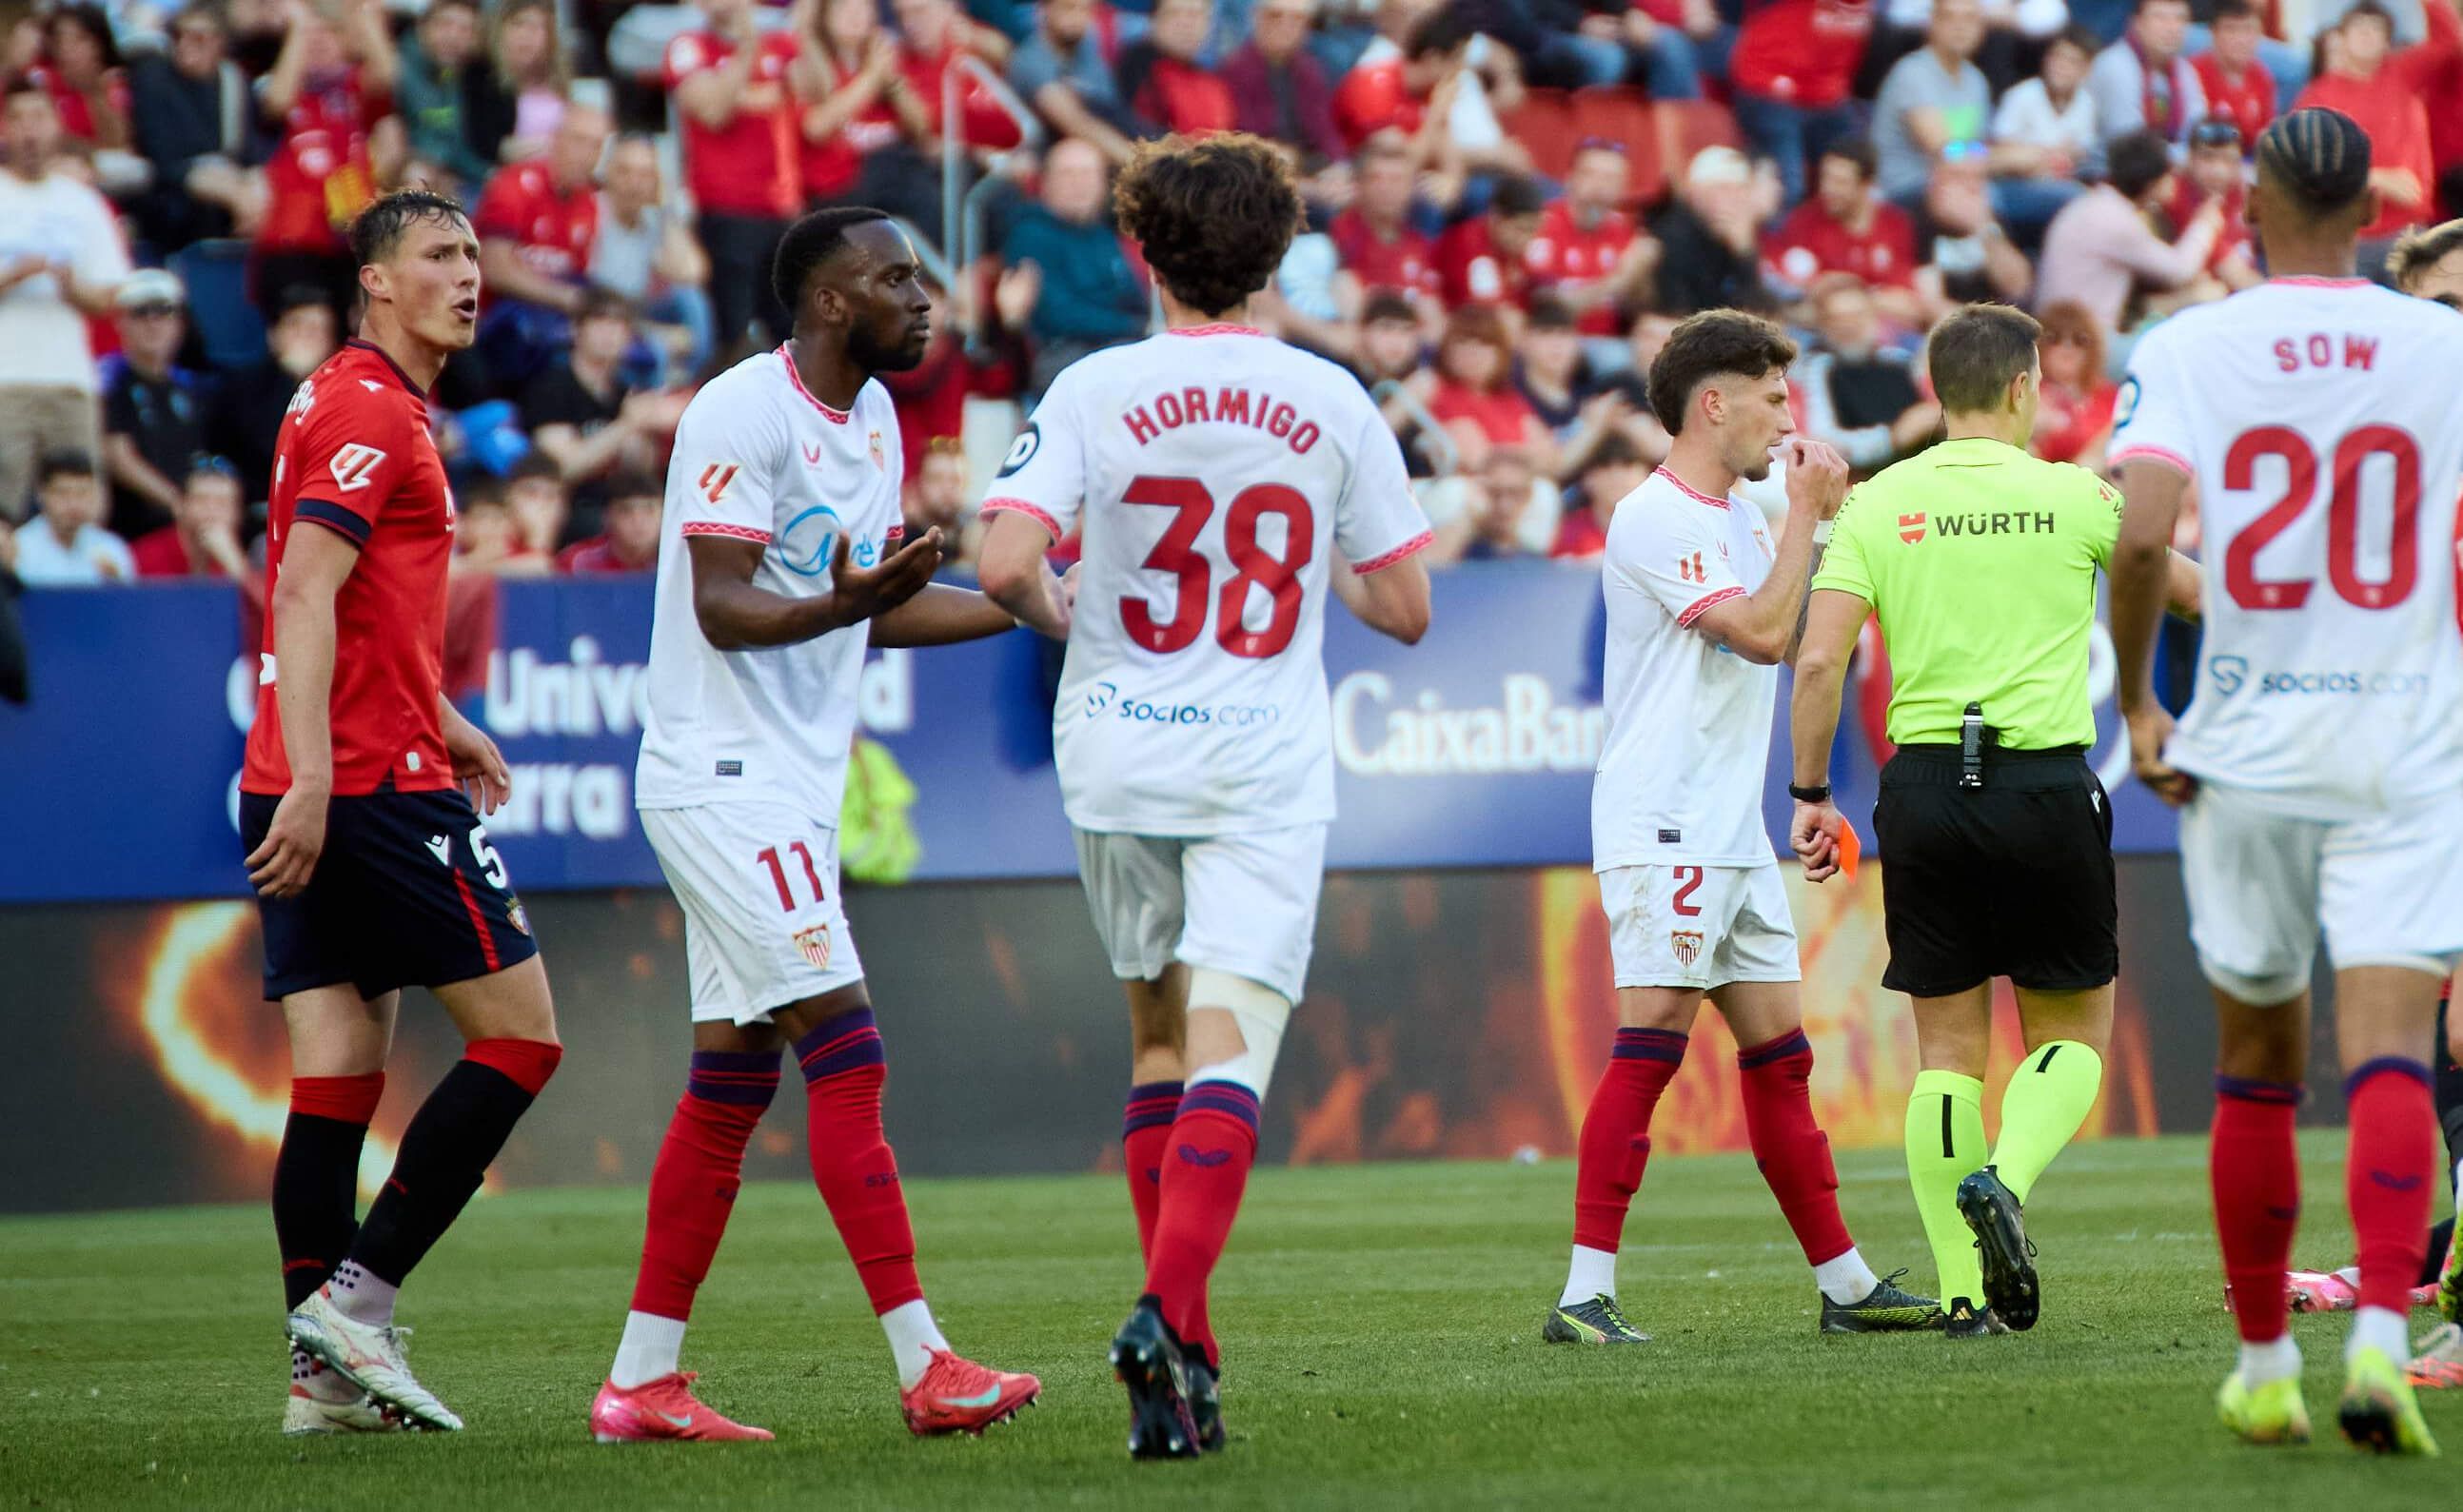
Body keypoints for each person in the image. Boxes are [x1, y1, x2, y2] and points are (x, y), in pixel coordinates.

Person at [975, 130, 1433, 1460]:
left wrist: (1079, 617)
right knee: (1230, 1051)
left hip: (1116, 747)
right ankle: (1165, 1318)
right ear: (1277, 253)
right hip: (1258, 762)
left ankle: (1192, 1368)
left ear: (1142, 251)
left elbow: (1006, 562)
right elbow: (1403, 605)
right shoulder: (1332, 398)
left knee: (1158, 1046)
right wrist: (1324, 562)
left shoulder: (1094, 384)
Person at [596, 206, 1058, 1444]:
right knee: (848, 1052)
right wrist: (848, 597)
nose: (924, 298)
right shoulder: (741, 409)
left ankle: (641, 1382)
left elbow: (871, 610)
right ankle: (927, 1363)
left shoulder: (874, 417)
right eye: (895, 278)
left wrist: (1034, 605)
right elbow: (729, 606)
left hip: (779, 786)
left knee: (732, 1083)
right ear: (827, 299)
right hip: (723, 772)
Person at [2105, 105, 2463, 1453]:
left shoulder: (2189, 343)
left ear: (2249, 205)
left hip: (2248, 738)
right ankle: (2379, 1333)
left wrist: (2146, 701)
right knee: (2388, 1047)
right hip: (2405, 737)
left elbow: (2142, 540)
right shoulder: (2446, 345)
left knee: (2258, 1065)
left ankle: (2265, 1364)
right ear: (2374, 213)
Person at [1789, 303, 2200, 1341]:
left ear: (1933, 390)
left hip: (1922, 789)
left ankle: (1962, 1290)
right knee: (2071, 1034)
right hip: (2044, 785)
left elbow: (1815, 658)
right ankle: (2006, 1182)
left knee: (1943, 1054)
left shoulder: (1882, 503)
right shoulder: (2072, 494)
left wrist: (1805, 793)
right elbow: (2186, 590)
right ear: (2021, 388)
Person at [1538, 307, 1937, 1347]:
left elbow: (1798, 638)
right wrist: (1806, 511)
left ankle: (1844, 1284)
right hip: (1664, 821)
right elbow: (1761, 635)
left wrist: (1807, 796)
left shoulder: (1741, 519)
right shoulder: (1653, 515)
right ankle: (1582, 1292)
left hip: (1729, 826)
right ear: (1711, 403)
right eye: (1770, 398)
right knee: (1650, 1046)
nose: (1784, 419)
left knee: (1779, 1057)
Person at [253, 190, 562, 1438]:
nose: (469, 274)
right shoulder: (376, 413)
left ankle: (318, 1387)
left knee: (335, 1077)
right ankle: (357, 1306)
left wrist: (446, 714)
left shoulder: (343, 396)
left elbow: (369, 607)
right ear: (377, 281)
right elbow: (305, 589)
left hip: (321, 763)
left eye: (476, 252)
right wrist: (332, 774)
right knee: (524, 1039)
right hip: (366, 785)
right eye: (439, 254)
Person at [0, 78, 128, 524]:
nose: (29, 131)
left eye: (38, 118)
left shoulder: (82, 203)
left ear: (55, 126)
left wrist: (72, 287)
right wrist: (13, 276)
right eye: (18, 119)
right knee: (4, 509)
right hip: (6, 380)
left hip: (71, 380)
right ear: (5, 129)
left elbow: (111, 294)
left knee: (83, 510)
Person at [664, 0, 803, 354]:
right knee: (733, 335)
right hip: (725, 211)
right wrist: (746, 50)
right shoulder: (688, 47)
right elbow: (713, 111)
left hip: (781, 209)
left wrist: (807, 23)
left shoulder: (781, 44)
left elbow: (815, 89)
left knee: (793, 333)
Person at [251, 0, 400, 323]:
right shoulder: (279, 87)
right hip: (292, 244)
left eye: (330, 33)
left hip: (349, 239)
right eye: (310, 35)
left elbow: (387, 74)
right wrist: (299, 30)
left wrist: (365, 16)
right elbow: (277, 102)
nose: (318, 41)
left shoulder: (353, 91)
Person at [2292, 1, 2444, 259]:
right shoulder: (2316, 96)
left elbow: (2447, 42)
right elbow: (2306, 170)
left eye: (2376, 29)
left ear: (2387, 43)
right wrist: (2375, 179)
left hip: (2405, 233)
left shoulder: (2402, 76)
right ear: (2340, 37)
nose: (2366, 34)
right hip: (2346, 237)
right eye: (2358, 27)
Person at [2035, 128, 2224, 331]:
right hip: (2085, 345)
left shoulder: (2097, 204)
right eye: (2170, 174)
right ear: (2153, 183)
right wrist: (2205, 223)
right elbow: (2180, 270)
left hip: (2064, 332)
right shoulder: (2116, 219)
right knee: (2208, 295)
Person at [1000, 136, 1150, 397]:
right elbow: (1057, 316)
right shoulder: (1030, 235)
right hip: (1065, 358)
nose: (1078, 183)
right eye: (1067, 174)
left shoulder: (1105, 235)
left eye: (1087, 173)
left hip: (1122, 351)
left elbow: (1137, 298)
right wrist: (1136, 327)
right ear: (1044, 183)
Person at [128, 3, 267, 247]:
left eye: (198, 38)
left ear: (220, 43)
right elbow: (163, 159)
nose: (184, 45)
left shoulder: (233, 81)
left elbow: (248, 151)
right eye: (177, 35)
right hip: (177, 184)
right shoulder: (154, 78)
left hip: (228, 172)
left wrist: (254, 186)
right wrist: (229, 190)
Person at [101, 268, 211, 542]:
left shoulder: (192, 388)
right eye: (140, 313)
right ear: (121, 322)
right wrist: (179, 503)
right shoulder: (108, 383)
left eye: (163, 311)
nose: (153, 322)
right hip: (134, 531)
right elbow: (119, 457)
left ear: (180, 322)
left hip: (191, 526)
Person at [1764, 139, 1921, 324]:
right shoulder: (1803, 220)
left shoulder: (1896, 224)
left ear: (1866, 185)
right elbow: (1787, 291)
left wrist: (1854, 292)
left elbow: (1907, 304)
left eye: (1840, 182)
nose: (1827, 189)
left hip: (1883, 329)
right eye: (1825, 178)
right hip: (1820, 328)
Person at [2087, 0, 2204, 153]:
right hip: (2110, 166)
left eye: (2180, 19)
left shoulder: (2184, 70)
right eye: (2160, 18)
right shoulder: (2116, 65)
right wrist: (2187, 159)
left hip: (2169, 163)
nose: (2172, 28)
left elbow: (2198, 129)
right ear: (2137, 23)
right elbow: (2130, 143)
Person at [131, 457, 260, 590]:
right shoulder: (145, 554)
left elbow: (269, 607)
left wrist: (236, 566)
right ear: (179, 507)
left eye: (222, 503)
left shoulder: (250, 556)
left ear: (238, 514)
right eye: (201, 500)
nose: (212, 511)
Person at [12, 448, 134, 586]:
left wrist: (116, 581)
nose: (73, 504)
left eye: (82, 493)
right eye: (62, 493)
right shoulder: (19, 549)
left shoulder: (112, 548)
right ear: (41, 494)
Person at [2193, 0, 2276, 148]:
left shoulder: (2263, 77)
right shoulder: (2194, 73)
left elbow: (2265, 135)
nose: (2241, 40)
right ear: (2213, 33)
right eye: (2231, 30)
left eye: (2248, 30)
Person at [556, 468, 662, 574]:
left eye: (649, 510)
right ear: (607, 517)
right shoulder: (576, 563)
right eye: (625, 511)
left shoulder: (676, 563)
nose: (638, 521)